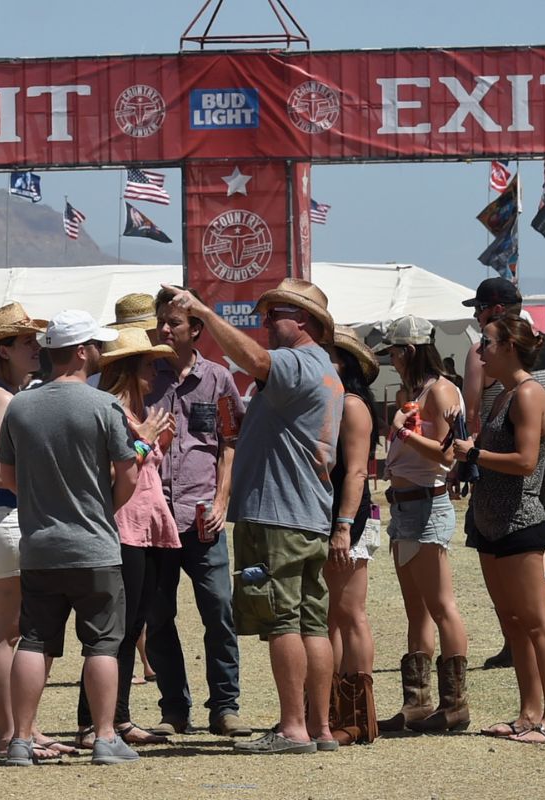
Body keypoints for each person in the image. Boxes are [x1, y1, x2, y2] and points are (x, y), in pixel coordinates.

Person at [171, 279, 344, 755]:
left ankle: (292, 728)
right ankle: (319, 727)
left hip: (277, 515)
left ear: (303, 320)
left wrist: (203, 313)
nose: (265, 323)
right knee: (311, 621)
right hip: (308, 514)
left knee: (281, 619)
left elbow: (257, 360)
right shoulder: (325, 369)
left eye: (274, 315)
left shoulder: (293, 363)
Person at [0, 311, 140, 766]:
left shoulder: (20, 406)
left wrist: (43, 506)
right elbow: (129, 475)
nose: (101, 352)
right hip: (94, 547)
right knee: (102, 644)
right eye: (96, 344)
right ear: (80, 351)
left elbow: (5, 472)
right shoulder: (103, 406)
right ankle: (104, 737)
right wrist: (98, 511)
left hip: (39, 546)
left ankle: (19, 739)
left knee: (34, 641)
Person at [0, 303, 72, 759]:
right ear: (3, 349)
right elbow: (5, 471)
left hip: (3, 518)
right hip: (10, 517)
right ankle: (10, 734)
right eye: (26, 341)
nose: (35, 347)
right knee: (9, 631)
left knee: (13, 629)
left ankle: (21, 729)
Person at [454, 312, 545, 744]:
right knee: (513, 623)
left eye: (486, 342)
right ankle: (527, 714)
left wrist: (474, 455)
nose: (479, 350)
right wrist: (466, 463)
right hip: (490, 523)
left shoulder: (529, 393)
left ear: (508, 347)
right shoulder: (501, 396)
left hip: (520, 522)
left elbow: (525, 462)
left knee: (538, 622)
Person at [141, 289, 250, 739]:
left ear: (196, 330)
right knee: (159, 615)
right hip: (154, 518)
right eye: (162, 322)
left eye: (174, 323)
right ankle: (174, 709)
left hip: (204, 517)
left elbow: (229, 442)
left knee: (219, 610)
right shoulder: (147, 377)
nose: (165, 330)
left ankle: (225, 707)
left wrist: (223, 500)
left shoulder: (218, 379)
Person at [461, 278, 545, 662]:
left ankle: (518, 635)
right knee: (539, 534)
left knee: (505, 543)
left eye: (479, 308)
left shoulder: (484, 350)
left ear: (495, 310)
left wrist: (469, 458)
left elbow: (470, 410)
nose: (477, 317)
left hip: (501, 455)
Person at [71, 326, 177, 750]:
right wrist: (146, 440)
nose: (157, 371)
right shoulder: (111, 411)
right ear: (130, 369)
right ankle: (91, 720)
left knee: (132, 627)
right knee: (113, 630)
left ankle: (118, 716)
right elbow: (112, 472)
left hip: (146, 526)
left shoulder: (133, 411)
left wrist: (152, 439)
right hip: (123, 528)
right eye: (150, 364)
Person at [377, 315, 472, 735]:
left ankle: (455, 705)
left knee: (441, 606)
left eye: (394, 352)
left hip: (427, 507)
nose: (391, 360)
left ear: (409, 351)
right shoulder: (414, 393)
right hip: (405, 508)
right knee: (417, 609)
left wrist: (402, 433)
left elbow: (449, 455)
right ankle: (417, 702)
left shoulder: (440, 390)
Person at [323, 331, 381, 746]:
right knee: (333, 618)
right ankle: (330, 712)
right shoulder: (335, 404)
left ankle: (358, 717)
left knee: (350, 613)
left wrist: (344, 526)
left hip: (349, 520)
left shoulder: (354, 406)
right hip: (335, 519)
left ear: (344, 363)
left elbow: (356, 472)